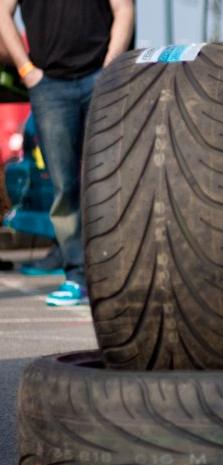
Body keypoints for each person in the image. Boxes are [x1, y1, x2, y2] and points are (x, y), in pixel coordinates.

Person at [0, 0, 134, 305]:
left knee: (112, 180)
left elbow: (124, 8)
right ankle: (77, 276)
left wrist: (111, 67)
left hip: (100, 78)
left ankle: (119, 275)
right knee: (64, 187)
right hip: (48, 86)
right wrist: (26, 69)